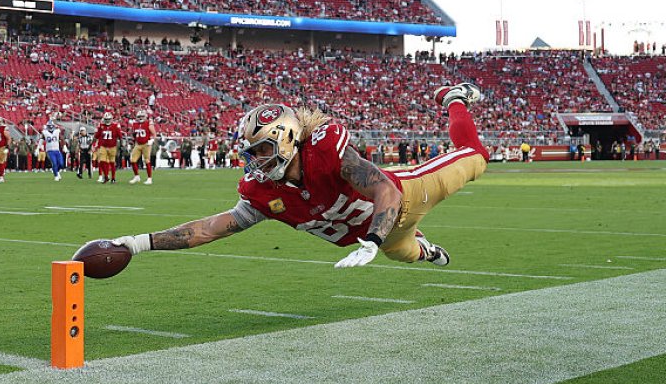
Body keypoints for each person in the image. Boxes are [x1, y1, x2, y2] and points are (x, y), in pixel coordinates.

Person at [102, 84, 488, 270]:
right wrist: (138, 244)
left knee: (475, 158)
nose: (255, 161)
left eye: (262, 150)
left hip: (407, 195)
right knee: (406, 253)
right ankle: (430, 249)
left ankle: (454, 99)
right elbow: (210, 229)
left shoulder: (324, 150)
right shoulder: (264, 191)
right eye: (252, 153)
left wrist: (371, 240)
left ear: (286, 140)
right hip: (385, 236)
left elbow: (385, 190)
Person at [128, 108, 156, 186]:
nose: (140, 118)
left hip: (146, 144)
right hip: (138, 144)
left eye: (142, 116)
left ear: (145, 116)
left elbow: (154, 134)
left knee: (147, 160)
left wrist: (152, 140)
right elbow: (133, 134)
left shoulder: (148, 124)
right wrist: (133, 141)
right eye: (139, 116)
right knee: (133, 160)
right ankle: (137, 176)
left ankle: (149, 178)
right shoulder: (135, 125)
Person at [94, 112, 121, 184]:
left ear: (111, 119)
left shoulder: (115, 126)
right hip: (103, 146)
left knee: (112, 163)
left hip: (112, 146)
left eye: (109, 119)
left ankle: (113, 178)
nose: (107, 121)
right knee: (102, 161)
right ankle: (106, 176)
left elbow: (120, 136)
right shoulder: (101, 126)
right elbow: (96, 136)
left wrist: (121, 145)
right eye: (106, 119)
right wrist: (92, 144)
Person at [42, 116, 65, 181]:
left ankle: (56, 171)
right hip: (50, 151)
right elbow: (41, 139)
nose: (50, 127)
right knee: (54, 163)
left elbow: (62, 138)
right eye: (49, 126)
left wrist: (64, 146)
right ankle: (56, 176)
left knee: (61, 164)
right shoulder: (45, 132)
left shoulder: (57, 131)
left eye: (51, 126)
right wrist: (38, 148)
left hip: (57, 150)